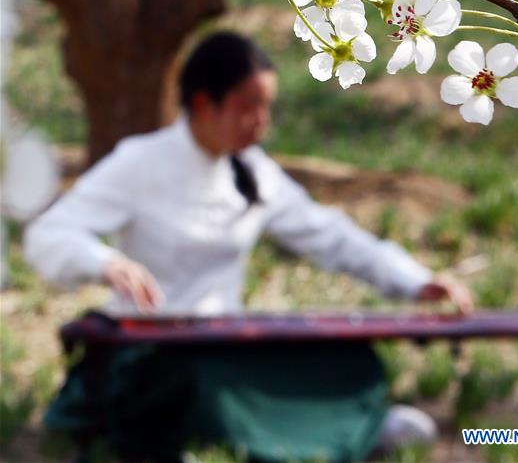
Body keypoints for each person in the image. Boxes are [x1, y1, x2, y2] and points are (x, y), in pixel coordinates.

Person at [24, 31, 472, 463]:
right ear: (204, 103)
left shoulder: (253, 173)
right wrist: (104, 261)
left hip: (225, 341)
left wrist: (416, 281)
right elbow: (49, 234)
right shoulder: (140, 161)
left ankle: (342, 430)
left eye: (265, 106)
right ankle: (314, 433)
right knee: (200, 383)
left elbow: (330, 235)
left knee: (346, 358)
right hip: (153, 351)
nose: (261, 121)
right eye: (248, 106)